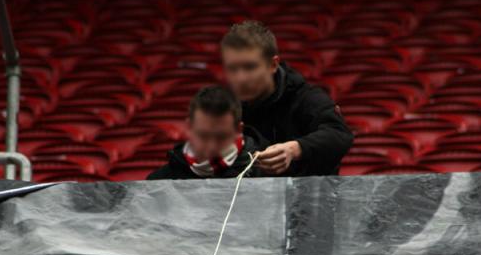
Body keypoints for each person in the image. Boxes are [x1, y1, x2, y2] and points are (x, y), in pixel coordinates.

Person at [220, 20, 353, 176]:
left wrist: (295, 148)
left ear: (273, 65)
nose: (240, 78)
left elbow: (339, 134)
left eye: (250, 67)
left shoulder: (305, 97)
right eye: (232, 69)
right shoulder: (225, 109)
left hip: (312, 190)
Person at [147, 85, 266, 180]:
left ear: (238, 130)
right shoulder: (159, 182)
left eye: (221, 137)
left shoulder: (265, 174)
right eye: (203, 136)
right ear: (189, 127)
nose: (211, 146)